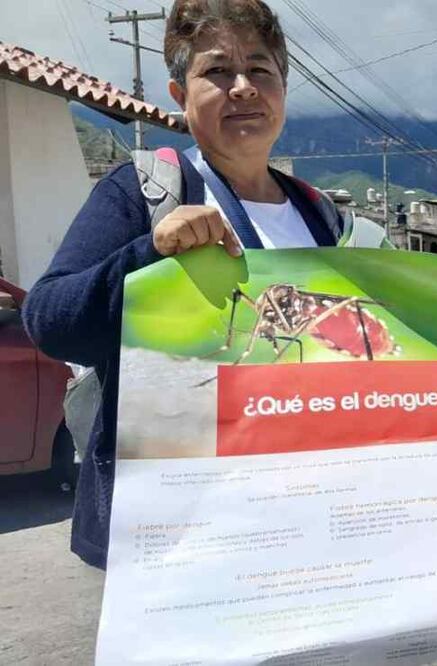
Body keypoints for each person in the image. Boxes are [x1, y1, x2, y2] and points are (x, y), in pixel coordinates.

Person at [22, 0, 345, 569]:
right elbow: (48, 321)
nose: (243, 87)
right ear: (180, 95)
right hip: (177, 529)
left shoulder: (319, 213)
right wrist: (149, 253)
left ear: (283, 91)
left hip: (301, 514)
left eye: (260, 70)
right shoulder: (144, 191)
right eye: (217, 71)